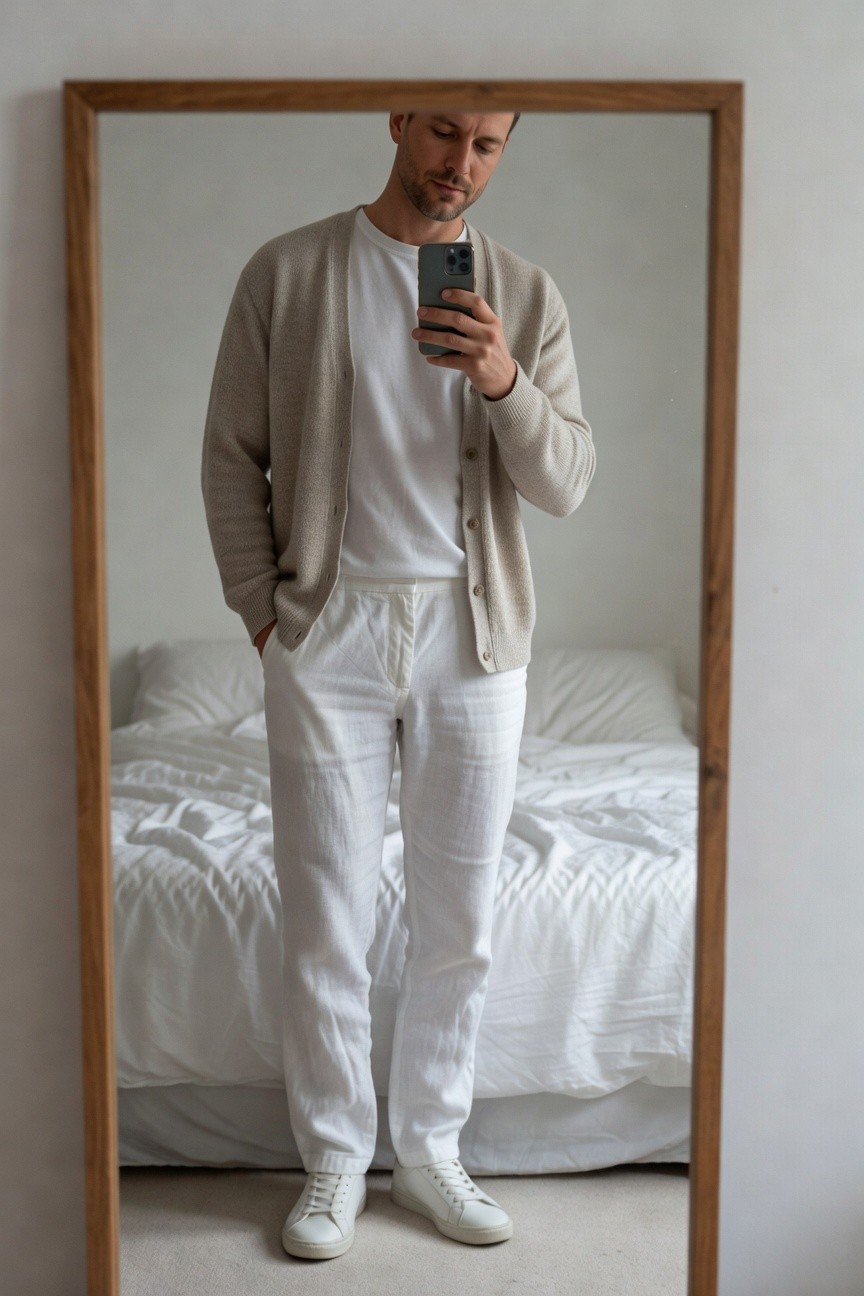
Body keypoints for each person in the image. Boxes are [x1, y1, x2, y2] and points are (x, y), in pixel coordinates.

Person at [200, 109, 595, 1261]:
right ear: (395, 120)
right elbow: (232, 452)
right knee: (324, 913)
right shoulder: (288, 271)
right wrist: (263, 612)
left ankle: (428, 1150)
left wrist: (502, 377)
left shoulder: (524, 293)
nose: (457, 165)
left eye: (485, 145)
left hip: (473, 639)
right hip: (328, 625)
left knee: (458, 918)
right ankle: (332, 1159)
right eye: (440, 133)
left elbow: (567, 480)